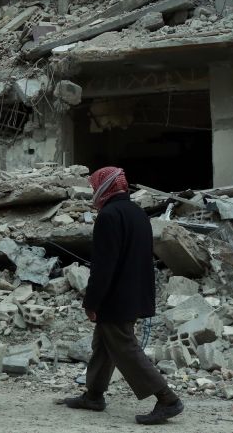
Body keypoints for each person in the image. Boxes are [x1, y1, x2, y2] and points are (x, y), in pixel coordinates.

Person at [58, 166, 184, 425]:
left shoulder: (109, 216)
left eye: (95, 187)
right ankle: (93, 395)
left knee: (124, 347)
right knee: (104, 345)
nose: (94, 191)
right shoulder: (138, 213)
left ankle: (167, 398)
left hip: (115, 297)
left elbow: (104, 267)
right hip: (135, 293)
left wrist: (91, 302)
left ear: (105, 188)